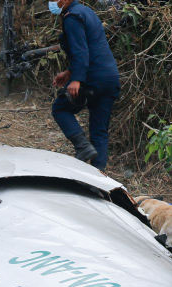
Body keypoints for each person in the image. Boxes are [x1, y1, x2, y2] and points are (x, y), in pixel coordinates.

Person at [49, 0, 119, 170]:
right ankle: (98, 178)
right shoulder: (86, 12)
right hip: (109, 78)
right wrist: (69, 73)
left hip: (92, 78)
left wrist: (77, 79)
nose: (51, 2)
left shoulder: (72, 17)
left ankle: (82, 146)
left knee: (60, 108)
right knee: (99, 131)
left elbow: (80, 51)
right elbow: (93, 48)